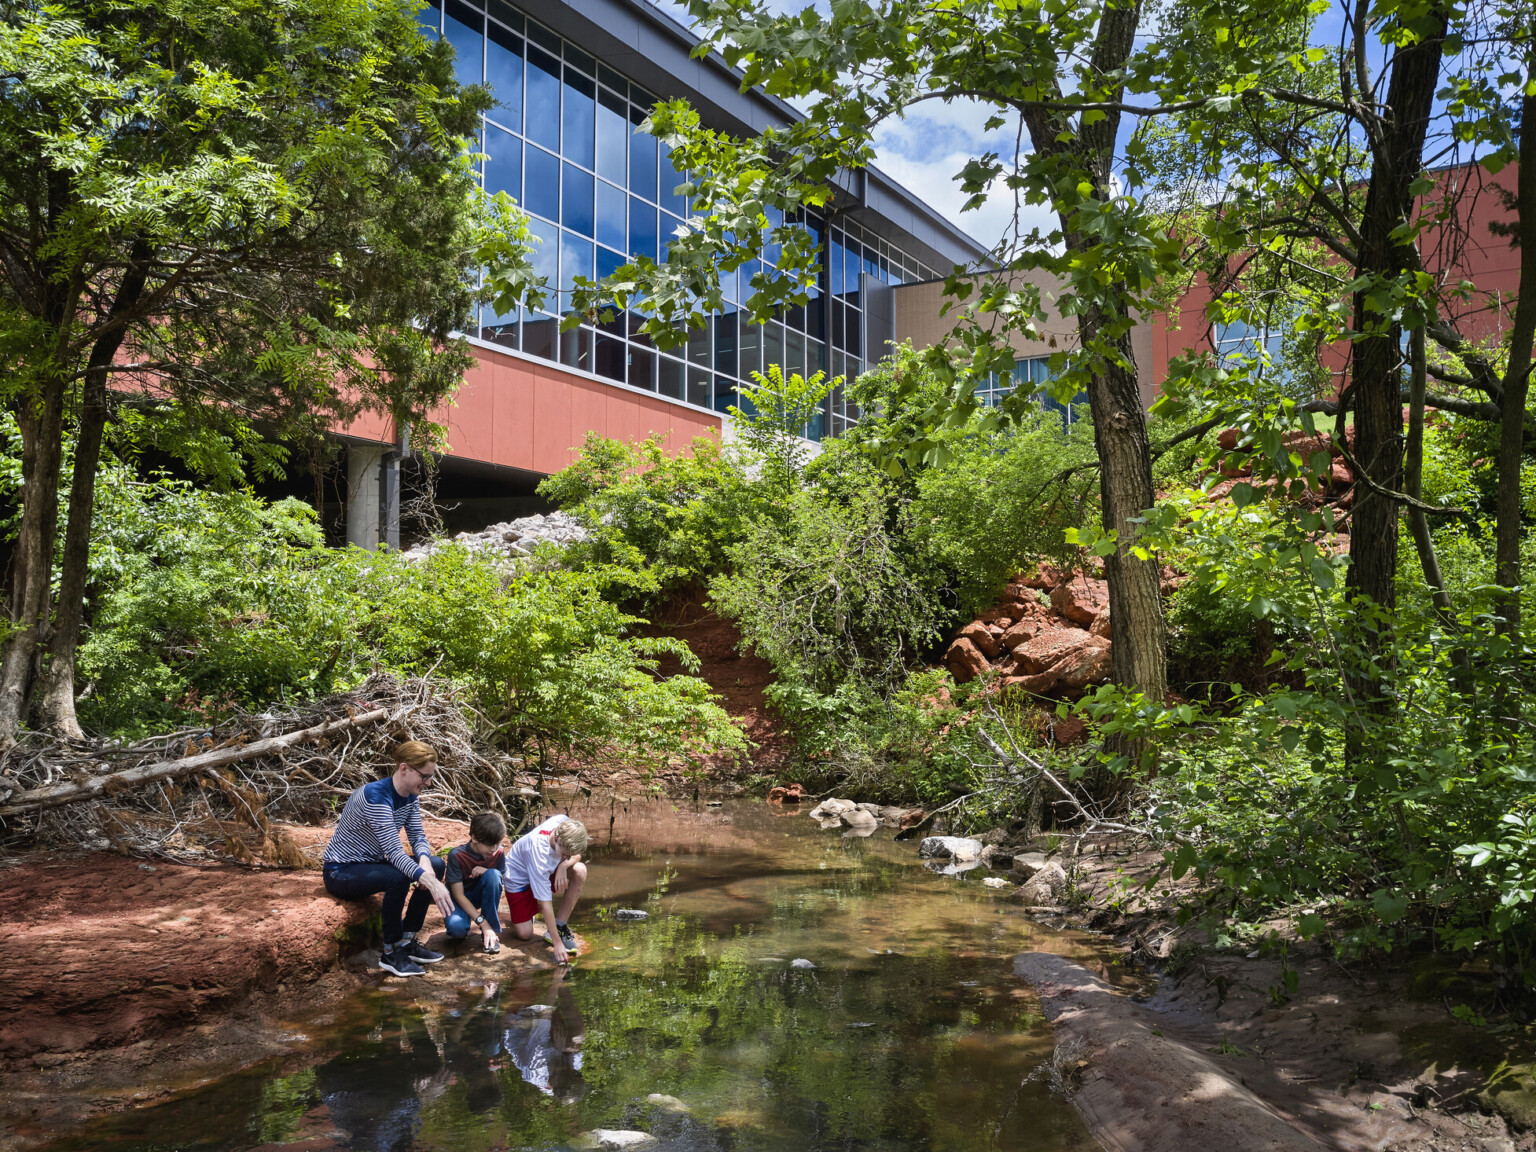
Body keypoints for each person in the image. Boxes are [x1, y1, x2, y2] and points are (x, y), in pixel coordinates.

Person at [322, 740, 455, 977]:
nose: (428, 783)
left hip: (370, 863)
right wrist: (432, 883)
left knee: (435, 863)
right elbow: (394, 852)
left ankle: (407, 940)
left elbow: (418, 836)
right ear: (404, 769)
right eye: (424, 776)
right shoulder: (376, 796)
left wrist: (425, 862)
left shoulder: (410, 796)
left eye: (430, 776)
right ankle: (391, 951)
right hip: (341, 870)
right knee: (399, 876)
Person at [502, 814, 588, 964]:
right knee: (525, 934)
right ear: (556, 839)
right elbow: (546, 904)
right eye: (565, 855)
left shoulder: (563, 822)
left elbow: (577, 856)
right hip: (519, 880)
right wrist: (557, 944)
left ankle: (560, 926)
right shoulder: (539, 855)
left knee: (580, 870)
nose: (568, 857)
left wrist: (563, 865)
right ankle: (530, 915)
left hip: (547, 870)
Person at [445, 811, 508, 953]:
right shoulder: (457, 855)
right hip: (458, 900)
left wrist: (486, 871)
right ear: (474, 838)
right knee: (457, 931)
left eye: (497, 844)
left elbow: (501, 880)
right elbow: (459, 896)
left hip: (479, 895)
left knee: (493, 875)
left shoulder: (498, 853)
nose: (493, 849)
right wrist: (482, 923)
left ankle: (491, 933)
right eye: (489, 844)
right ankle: (484, 926)